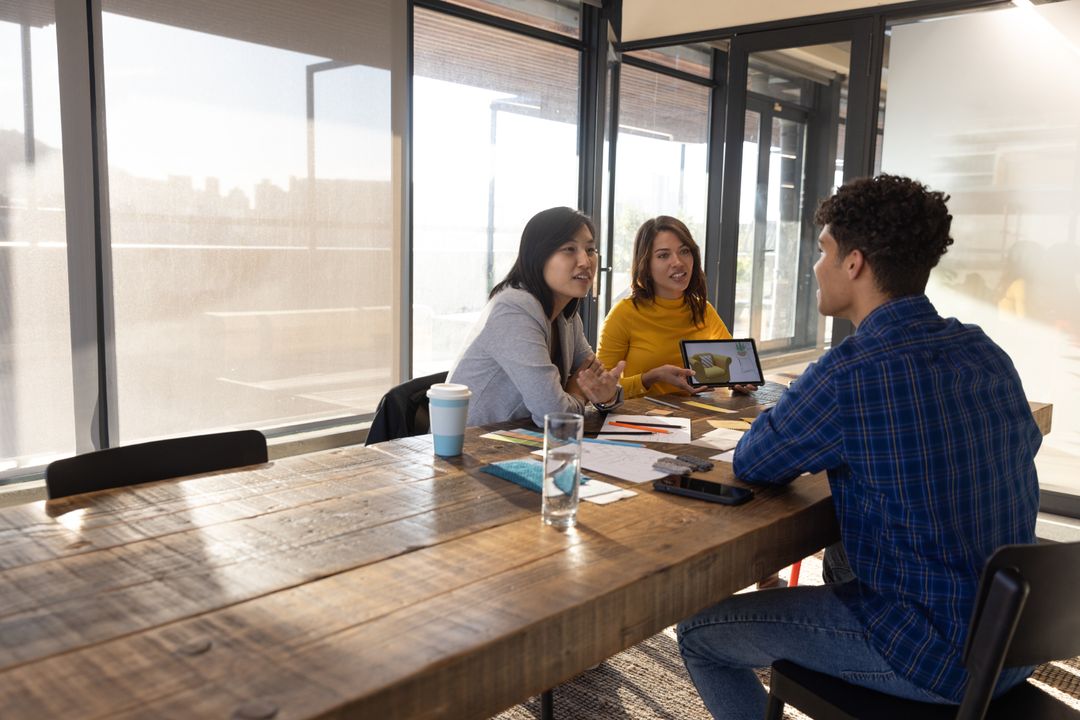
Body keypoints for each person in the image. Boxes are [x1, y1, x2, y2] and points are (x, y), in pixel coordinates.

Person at [676, 175, 1042, 719]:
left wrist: (806, 395)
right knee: (845, 553)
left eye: (823, 250)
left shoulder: (852, 371)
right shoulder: (985, 350)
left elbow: (754, 460)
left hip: (931, 657)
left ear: (855, 263)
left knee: (698, 633)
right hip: (1015, 635)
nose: (815, 265)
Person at [449, 207, 625, 427]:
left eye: (590, 250)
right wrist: (578, 393)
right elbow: (553, 414)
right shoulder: (514, 308)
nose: (585, 261)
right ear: (539, 256)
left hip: (519, 442)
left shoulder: (566, 317)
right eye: (569, 249)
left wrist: (606, 396)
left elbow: (595, 378)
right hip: (469, 447)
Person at [597, 216, 732, 398]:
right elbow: (600, 388)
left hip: (699, 416)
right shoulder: (624, 313)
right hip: (645, 420)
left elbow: (733, 366)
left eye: (684, 251)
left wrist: (739, 382)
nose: (677, 262)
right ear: (646, 264)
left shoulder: (703, 309)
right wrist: (650, 378)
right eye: (663, 255)